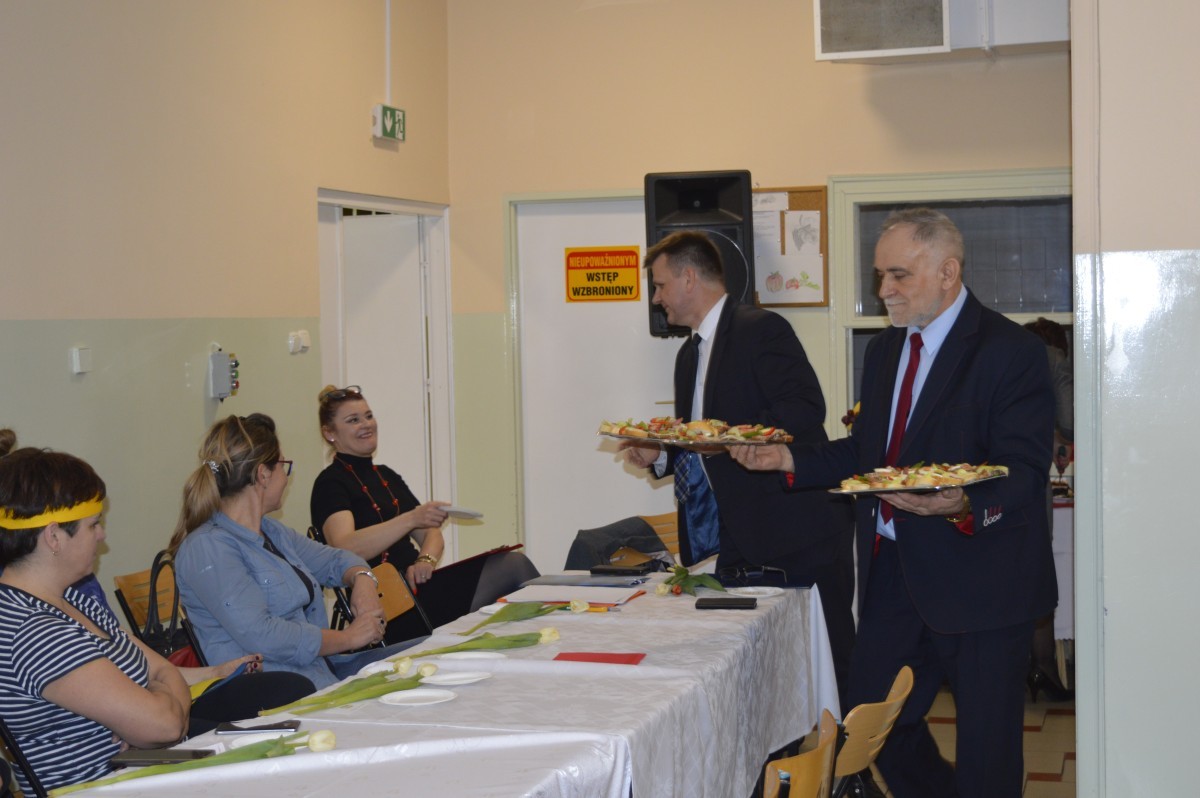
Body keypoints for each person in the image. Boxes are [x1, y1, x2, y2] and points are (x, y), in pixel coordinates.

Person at [731, 208, 1057, 798]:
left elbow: (1025, 472)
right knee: (873, 724)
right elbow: (869, 452)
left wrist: (961, 504)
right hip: (894, 575)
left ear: (948, 272)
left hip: (984, 581)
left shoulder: (1011, 351)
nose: (884, 290)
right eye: (880, 275)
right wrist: (787, 459)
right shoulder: (885, 351)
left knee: (987, 751)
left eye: (899, 275)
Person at [620, 231, 856, 701]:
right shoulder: (688, 355)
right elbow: (696, 440)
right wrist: (659, 453)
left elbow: (805, 408)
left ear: (690, 278)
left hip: (797, 532)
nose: (657, 298)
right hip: (738, 540)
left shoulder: (761, 329)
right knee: (760, 677)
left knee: (831, 665)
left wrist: (728, 439)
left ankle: (859, 748)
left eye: (661, 285)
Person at [170, 413, 423, 691]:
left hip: (320, 671)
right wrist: (349, 638)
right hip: (275, 690)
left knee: (428, 653)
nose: (286, 477)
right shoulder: (208, 548)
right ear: (263, 474)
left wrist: (363, 579)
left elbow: (336, 559)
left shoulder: (273, 532)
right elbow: (263, 635)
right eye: (283, 466)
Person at [0, 446, 190, 794]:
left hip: (148, 774)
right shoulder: (33, 631)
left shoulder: (73, 599)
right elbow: (164, 726)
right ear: (54, 537)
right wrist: (153, 713)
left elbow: (166, 671)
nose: (101, 535)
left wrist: (153, 708)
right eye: (93, 524)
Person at [311, 385, 538, 638]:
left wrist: (425, 560)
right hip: (389, 606)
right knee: (513, 566)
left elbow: (431, 533)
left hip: (419, 589)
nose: (366, 424)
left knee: (512, 563)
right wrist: (410, 518)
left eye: (368, 416)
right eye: (353, 420)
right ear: (330, 433)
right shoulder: (330, 483)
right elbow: (345, 548)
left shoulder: (387, 475)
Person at [1023, 317, 1075, 701]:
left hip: (983, 484)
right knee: (1037, 576)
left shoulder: (994, 353)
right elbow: (1071, 422)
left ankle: (1012, 673)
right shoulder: (1052, 359)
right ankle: (1042, 667)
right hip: (1029, 486)